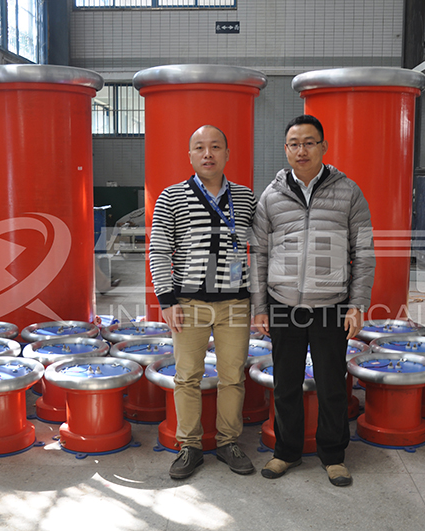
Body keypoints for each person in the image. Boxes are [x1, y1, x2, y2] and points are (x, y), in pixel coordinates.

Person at [251, 114, 375, 487]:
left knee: (331, 384)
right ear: (286, 149)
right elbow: (259, 255)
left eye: (309, 142)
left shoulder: (348, 192)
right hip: (283, 302)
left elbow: (364, 252)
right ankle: (286, 452)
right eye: (294, 144)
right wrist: (260, 307)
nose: (301, 150)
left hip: (331, 304)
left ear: (323, 146)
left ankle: (333, 456)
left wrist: (357, 304)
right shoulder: (271, 196)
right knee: (286, 384)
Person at [149, 124, 257, 479]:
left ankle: (228, 442)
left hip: (235, 303)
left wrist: (259, 301)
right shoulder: (171, 197)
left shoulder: (245, 198)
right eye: (199, 147)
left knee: (233, 377)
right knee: (187, 377)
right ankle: (190, 447)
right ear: (190, 155)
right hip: (188, 302)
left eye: (215, 147)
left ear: (227, 153)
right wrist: (167, 300)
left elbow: (261, 248)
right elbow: (158, 250)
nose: (207, 154)